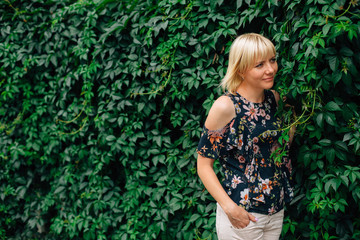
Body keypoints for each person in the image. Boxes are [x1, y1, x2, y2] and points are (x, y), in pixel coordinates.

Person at [196, 33, 295, 240]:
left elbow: (277, 151)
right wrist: (230, 208)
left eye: (272, 60)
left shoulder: (274, 99)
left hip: (275, 211)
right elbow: (204, 165)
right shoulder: (225, 106)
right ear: (241, 69)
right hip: (242, 215)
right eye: (259, 65)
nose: (270, 69)